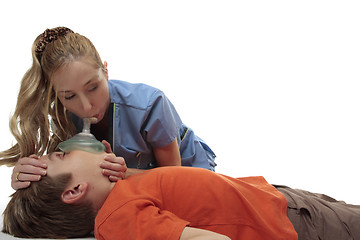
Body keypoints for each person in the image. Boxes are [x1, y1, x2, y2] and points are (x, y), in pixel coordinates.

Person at [0, 26, 216, 189]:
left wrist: (126, 173)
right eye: (70, 96)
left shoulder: (150, 105)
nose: (86, 107)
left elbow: (173, 180)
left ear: (105, 71)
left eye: (93, 87)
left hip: (190, 174)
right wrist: (25, 176)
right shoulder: (62, 115)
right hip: (131, 186)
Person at [3, 150, 360, 239]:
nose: (68, 147)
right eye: (62, 155)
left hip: (278, 200)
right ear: (76, 190)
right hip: (290, 223)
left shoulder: (123, 191)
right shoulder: (118, 218)